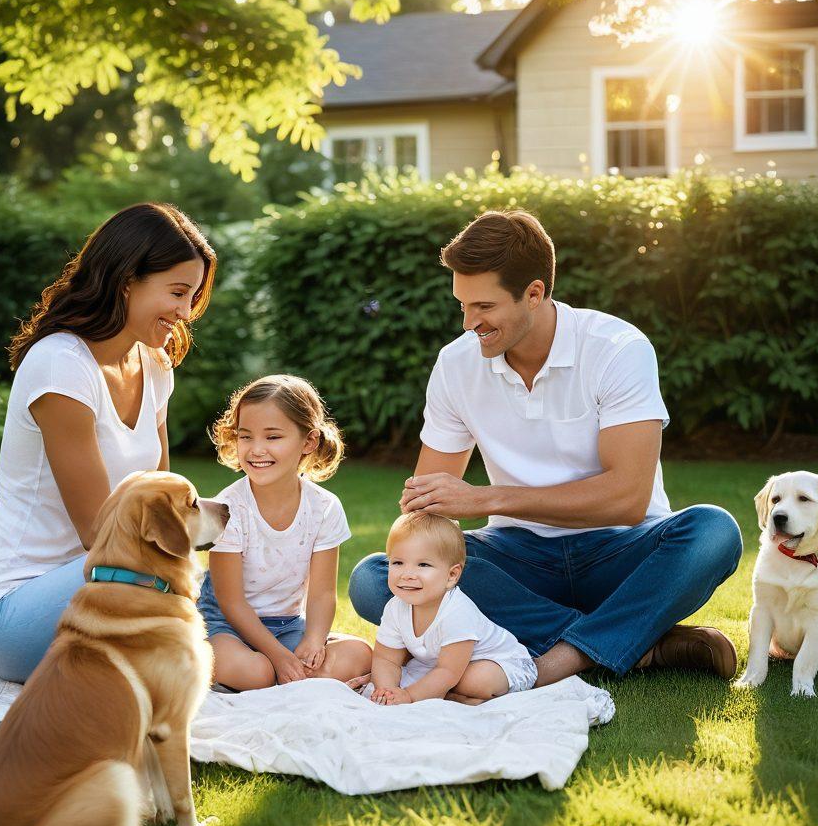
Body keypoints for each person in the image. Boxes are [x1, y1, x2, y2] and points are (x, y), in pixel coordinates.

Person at [349, 209, 743, 686]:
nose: (470, 323)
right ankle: (638, 646)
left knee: (713, 532)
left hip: (620, 551)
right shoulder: (455, 365)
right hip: (518, 561)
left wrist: (488, 499)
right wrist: (427, 521)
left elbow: (628, 499)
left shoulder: (617, 348)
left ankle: (558, 658)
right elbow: (427, 513)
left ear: (534, 293)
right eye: (462, 305)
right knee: (375, 579)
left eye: (485, 307)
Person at [0, 203, 217, 682]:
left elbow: (166, 497)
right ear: (127, 280)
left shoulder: (155, 365)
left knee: (235, 568)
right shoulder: (61, 365)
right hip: (20, 612)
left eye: (193, 297)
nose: (186, 313)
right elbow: (100, 534)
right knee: (199, 587)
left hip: (112, 584)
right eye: (178, 292)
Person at [199, 375, 372, 690]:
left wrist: (315, 640)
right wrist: (279, 657)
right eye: (245, 436)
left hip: (288, 625)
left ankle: (284, 674)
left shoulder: (324, 507)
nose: (256, 450)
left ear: (308, 442)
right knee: (256, 672)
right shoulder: (225, 510)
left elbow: (321, 594)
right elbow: (231, 603)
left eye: (273, 437)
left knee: (360, 654)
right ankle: (277, 675)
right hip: (225, 625)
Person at [369, 512, 537, 706]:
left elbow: (447, 672)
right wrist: (387, 690)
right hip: (445, 666)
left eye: (423, 564)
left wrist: (409, 696)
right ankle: (452, 697)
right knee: (418, 676)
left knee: (475, 681)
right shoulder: (395, 608)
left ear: (451, 575)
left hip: (501, 662)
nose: (407, 574)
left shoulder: (457, 612)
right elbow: (385, 658)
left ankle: (451, 694)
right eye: (397, 562)